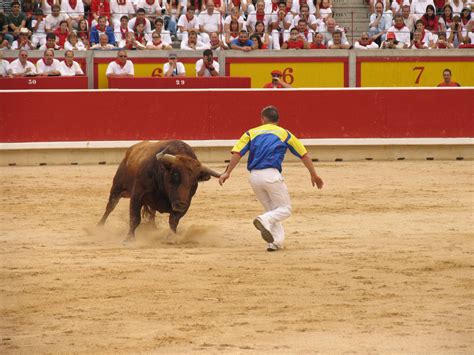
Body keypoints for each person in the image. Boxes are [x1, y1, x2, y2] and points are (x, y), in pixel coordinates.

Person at [218, 105, 323, 252]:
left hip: (254, 177)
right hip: (271, 175)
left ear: (263, 119)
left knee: (272, 210)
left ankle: (274, 243)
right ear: (277, 120)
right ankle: (263, 220)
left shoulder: (250, 133)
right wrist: (313, 174)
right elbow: (304, 155)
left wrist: (227, 172)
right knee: (285, 209)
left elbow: (237, 153)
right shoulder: (285, 134)